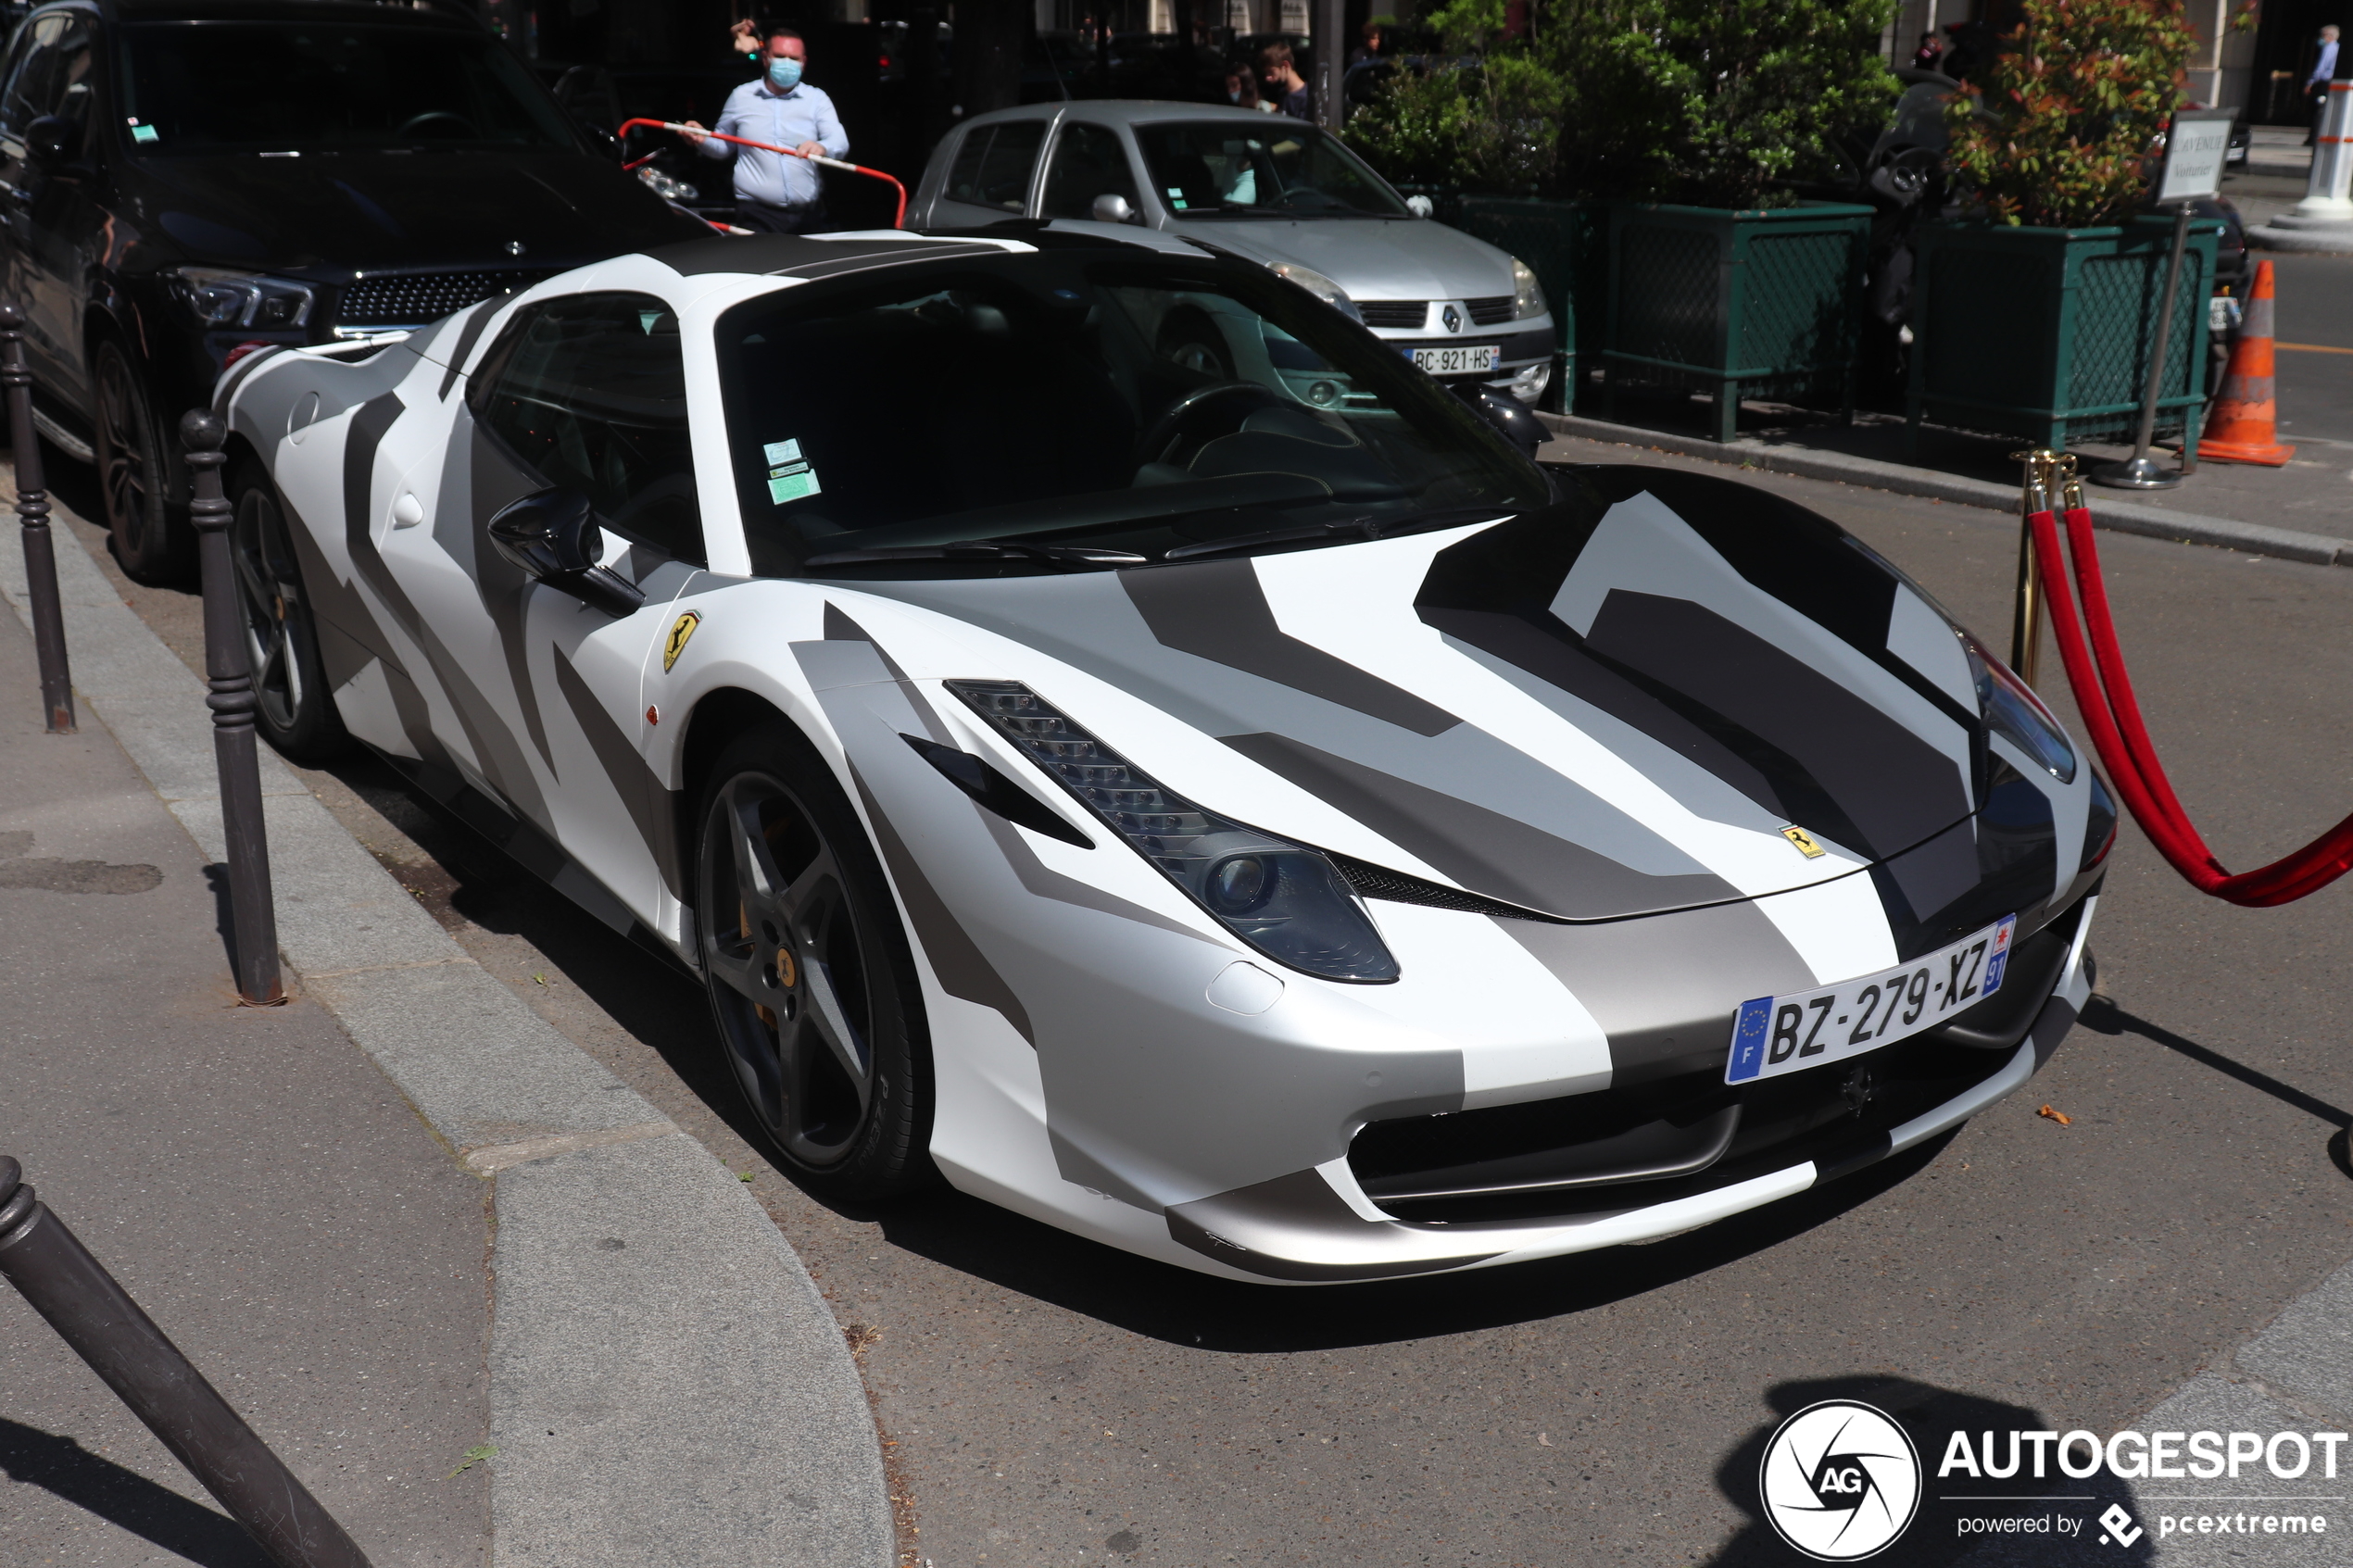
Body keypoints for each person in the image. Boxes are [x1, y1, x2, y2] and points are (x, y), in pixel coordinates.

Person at [681, 29, 847, 233]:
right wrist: (702, 139)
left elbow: (839, 141)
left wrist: (822, 147)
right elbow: (723, 147)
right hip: (757, 214)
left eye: (793, 58)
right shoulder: (742, 96)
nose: (787, 62)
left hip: (807, 215)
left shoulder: (817, 99)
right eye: (780, 56)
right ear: (766, 59)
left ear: (803, 63)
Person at [2309, 25, 2341, 147]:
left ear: (2330, 36)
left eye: (2324, 35)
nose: (2322, 38)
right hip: (2331, 81)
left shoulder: (2329, 49)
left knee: (2318, 110)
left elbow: (2320, 68)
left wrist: (2311, 82)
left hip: (2324, 82)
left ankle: (2314, 137)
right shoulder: (2338, 48)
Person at [1259, 41, 1309, 119]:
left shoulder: (1305, 98)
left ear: (1285, 66)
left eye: (1271, 72)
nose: (1267, 78)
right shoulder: (1283, 94)